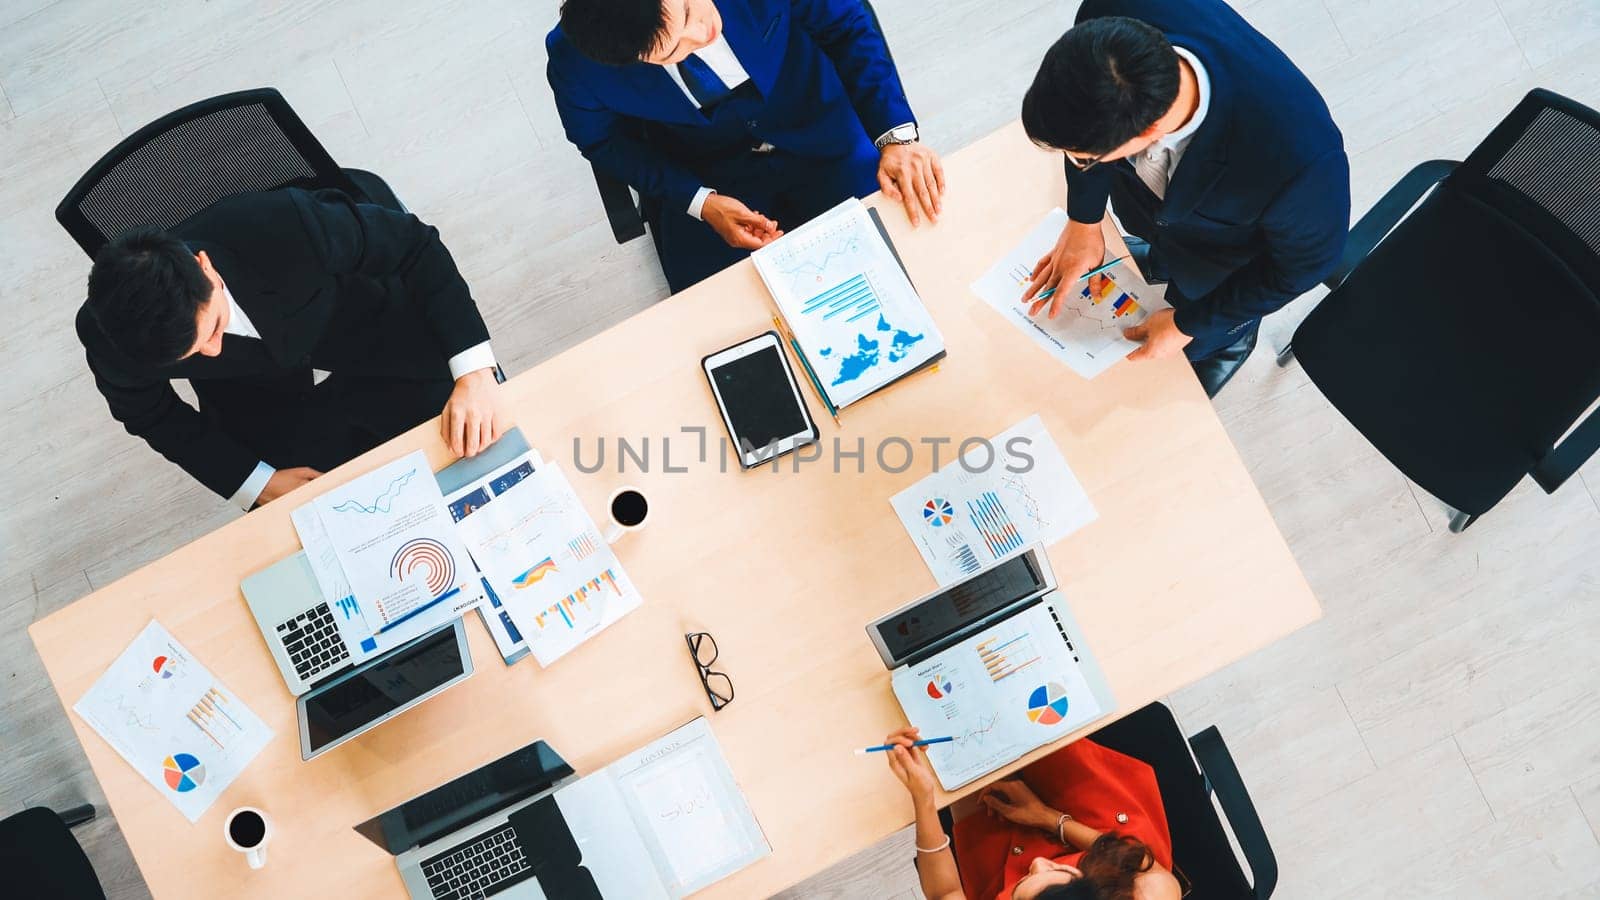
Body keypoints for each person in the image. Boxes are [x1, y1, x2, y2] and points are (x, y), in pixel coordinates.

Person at [77, 187, 510, 510]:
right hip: (257, 400)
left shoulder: (285, 224)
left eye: (213, 329)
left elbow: (416, 247)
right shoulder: (109, 337)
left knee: (484, 459)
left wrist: (475, 373)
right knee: (327, 523)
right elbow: (152, 416)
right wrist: (256, 482)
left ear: (206, 268)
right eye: (189, 356)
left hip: (375, 335)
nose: (211, 351)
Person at [1020, 0, 1350, 397]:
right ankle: (1160, 264)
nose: (1076, 162)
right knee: (1153, 254)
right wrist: (1084, 221)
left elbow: (1302, 267)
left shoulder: (1300, 161)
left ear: (1152, 129)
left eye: (1084, 159)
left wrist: (1186, 325)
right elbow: (1090, 121)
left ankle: (1229, 342)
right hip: (1155, 217)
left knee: (1191, 342)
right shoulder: (1106, 14)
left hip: (1222, 272)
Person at [547, 0, 945, 292]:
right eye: (674, 51)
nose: (702, 35)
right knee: (729, 325)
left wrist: (896, 137)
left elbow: (846, 25)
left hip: (820, 129)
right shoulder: (575, 62)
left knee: (914, 263)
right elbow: (601, 140)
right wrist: (700, 202)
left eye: (688, 10)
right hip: (706, 174)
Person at [882, 727, 1181, 900]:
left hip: (995, 871)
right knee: (1030, 721)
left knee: (954, 751)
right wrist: (1048, 817)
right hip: (1095, 839)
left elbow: (945, 893)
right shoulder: (1151, 892)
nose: (1038, 863)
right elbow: (1135, 858)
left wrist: (923, 798)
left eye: (1023, 889)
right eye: (1058, 873)